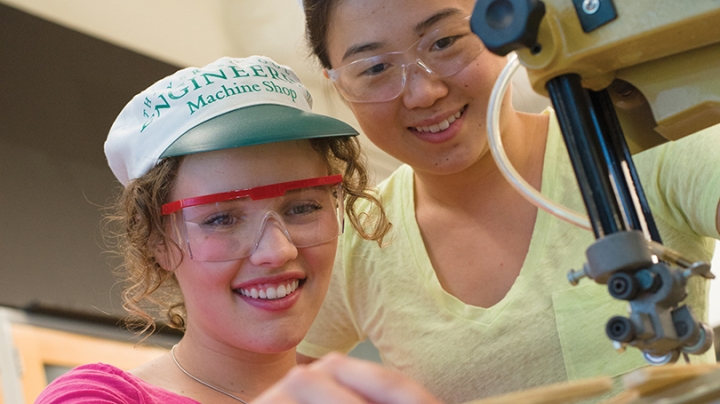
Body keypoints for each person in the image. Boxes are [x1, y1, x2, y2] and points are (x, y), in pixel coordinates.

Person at [296, 0, 720, 402]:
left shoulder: (637, 137)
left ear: (502, 23)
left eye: (444, 42)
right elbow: (266, 377)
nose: (423, 92)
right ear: (338, 84)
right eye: (375, 68)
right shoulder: (358, 237)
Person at [35, 55, 442, 404]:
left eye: (303, 207)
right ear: (158, 242)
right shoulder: (98, 396)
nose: (277, 251)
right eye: (221, 219)